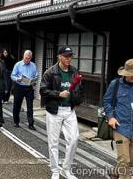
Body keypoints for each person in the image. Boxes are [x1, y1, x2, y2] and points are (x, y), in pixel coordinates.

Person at [40, 46, 84, 179]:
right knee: (53, 142)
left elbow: (80, 89)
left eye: (70, 56)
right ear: (59, 56)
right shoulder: (50, 72)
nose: (68, 58)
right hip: (54, 110)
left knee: (74, 139)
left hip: (69, 110)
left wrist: (77, 99)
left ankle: (66, 168)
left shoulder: (74, 72)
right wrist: (58, 94)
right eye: (66, 56)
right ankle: (55, 170)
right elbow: (42, 90)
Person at [11, 50, 38, 130]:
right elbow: (12, 75)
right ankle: (16, 122)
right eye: (26, 58)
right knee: (17, 105)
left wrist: (34, 81)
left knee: (30, 106)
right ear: (23, 56)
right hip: (19, 87)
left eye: (29, 58)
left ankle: (31, 124)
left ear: (31, 58)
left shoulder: (33, 65)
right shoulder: (18, 64)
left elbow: (36, 75)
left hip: (29, 88)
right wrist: (17, 79)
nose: (27, 60)